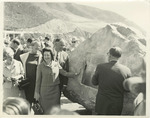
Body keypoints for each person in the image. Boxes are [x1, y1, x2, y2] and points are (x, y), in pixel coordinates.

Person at [34, 48, 78, 114]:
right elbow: (38, 81)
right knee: (45, 110)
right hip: (44, 92)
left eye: (48, 55)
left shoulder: (56, 64)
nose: (46, 57)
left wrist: (75, 74)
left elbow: (64, 73)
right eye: (45, 55)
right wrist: (36, 93)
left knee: (55, 110)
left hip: (55, 91)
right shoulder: (40, 66)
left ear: (51, 55)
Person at [92, 47, 131, 115]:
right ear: (119, 57)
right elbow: (128, 90)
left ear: (109, 55)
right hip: (116, 105)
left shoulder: (100, 67)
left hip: (102, 104)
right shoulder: (127, 70)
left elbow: (94, 82)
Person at [20, 41, 42, 105]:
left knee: (36, 102)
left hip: (36, 83)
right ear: (31, 47)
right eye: (36, 46)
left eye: (39, 46)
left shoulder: (41, 56)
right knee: (27, 102)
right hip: (27, 82)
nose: (38, 48)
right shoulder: (24, 56)